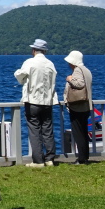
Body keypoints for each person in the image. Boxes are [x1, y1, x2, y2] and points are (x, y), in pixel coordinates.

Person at [14, 39, 59, 167]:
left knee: (34, 131)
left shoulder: (30, 62)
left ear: (34, 50)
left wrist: (18, 73)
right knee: (47, 130)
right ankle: (50, 159)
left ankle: (38, 160)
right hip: (47, 101)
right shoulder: (50, 64)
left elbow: (20, 75)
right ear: (44, 51)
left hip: (33, 101)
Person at [63, 50, 93, 165]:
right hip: (86, 105)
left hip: (78, 106)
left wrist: (69, 79)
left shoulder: (78, 70)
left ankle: (81, 159)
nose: (68, 64)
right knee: (84, 132)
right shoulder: (87, 70)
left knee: (78, 133)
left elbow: (79, 84)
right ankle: (85, 157)